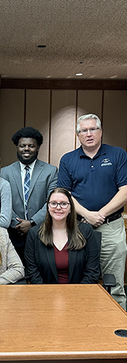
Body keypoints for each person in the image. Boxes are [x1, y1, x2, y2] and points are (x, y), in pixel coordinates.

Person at [58, 113, 127, 309]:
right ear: (78, 135)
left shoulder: (117, 155)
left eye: (93, 129)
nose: (89, 134)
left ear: (101, 132)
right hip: (79, 228)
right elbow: (64, 193)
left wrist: (100, 214)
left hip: (111, 227)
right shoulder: (68, 159)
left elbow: (125, 190)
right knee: (79, 280)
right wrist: (88, 214)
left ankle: (117, 332)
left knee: (114, 283)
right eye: (84, 131)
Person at [0, 126, 58, 261]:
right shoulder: (4, 172)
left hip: (42, 232)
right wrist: (17, 223)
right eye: (22, 146)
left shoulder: (50, 171)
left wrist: (32, 223)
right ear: (17, 147)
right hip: (13, 233)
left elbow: (52, 201)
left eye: (31, 146)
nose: (26, 149)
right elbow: (3, 201)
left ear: (38, 148)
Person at [25, 188, 100, 284]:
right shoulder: (34, 233)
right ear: (48, 207)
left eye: (64, 204)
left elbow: (92, 272)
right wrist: (45, 294)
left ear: (70, 209)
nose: (58, 207)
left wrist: (78, 294)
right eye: (53, 203)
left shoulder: (86, 231)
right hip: (45, 293)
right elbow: (32, 271)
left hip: (79, 293)